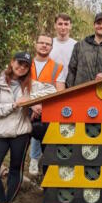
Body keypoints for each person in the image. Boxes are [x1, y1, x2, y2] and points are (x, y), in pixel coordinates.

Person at [0, 52, 56, 203]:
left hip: (22, 133)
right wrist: (14, 105)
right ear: (12, 62)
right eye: (19, 63)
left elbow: (52, 90)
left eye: (25, 65)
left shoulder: (32, 84)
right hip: (1, 133)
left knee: (16, 170)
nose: (21, 67)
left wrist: (33, 102)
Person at [28, 33, 65, 175]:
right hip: (27, 109)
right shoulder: (25, 64)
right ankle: (32, 160)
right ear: (35, 44)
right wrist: (32, 105)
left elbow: (60, 93)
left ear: (51, 47)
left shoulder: (57, 67)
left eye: (48, 44)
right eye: (41, 42)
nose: (44, 46)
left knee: (48, 142)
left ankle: (47, 172)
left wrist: (43, 107)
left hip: (47, 110)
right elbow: (19, 89)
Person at [66, 12, 102, 87]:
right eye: (98, 23)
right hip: (81, 91)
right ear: (94, 25)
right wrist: (70, 90)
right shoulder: (80, 46)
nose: (101, 26)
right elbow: (71, 70)